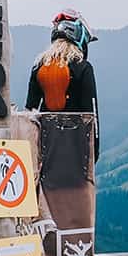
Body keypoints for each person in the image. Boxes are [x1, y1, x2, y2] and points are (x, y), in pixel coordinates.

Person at [28, 8, 100, 156]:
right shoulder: (83, 67)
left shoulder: (39, 66)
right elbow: (91, 116)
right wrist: (94, 152)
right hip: (75, 147)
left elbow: (30, 111)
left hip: (46, 146)